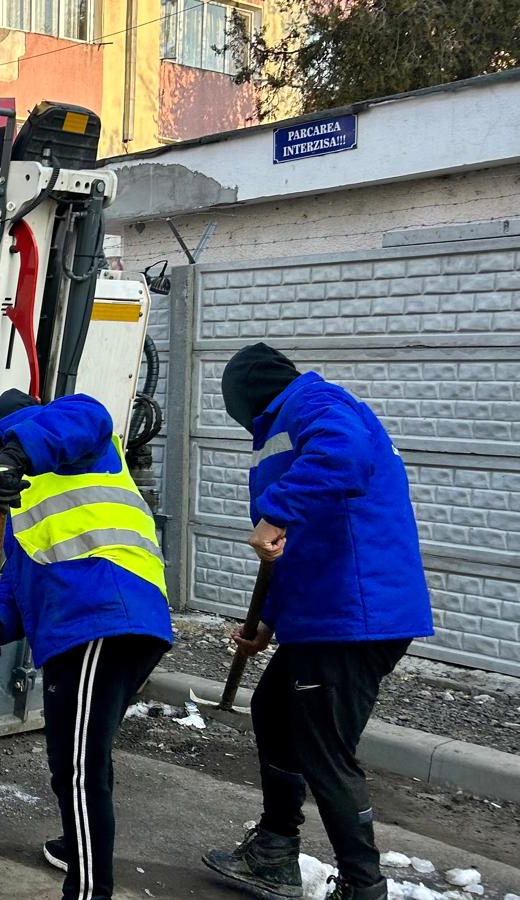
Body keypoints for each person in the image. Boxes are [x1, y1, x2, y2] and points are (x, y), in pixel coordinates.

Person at [203, 343, 434, 900]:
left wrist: (276, 509)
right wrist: (269, 621)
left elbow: (344, 455)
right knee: (275, 711)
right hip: (324, 612)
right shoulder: (282, 426)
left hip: (354, 615)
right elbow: (293, 546)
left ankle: (362, 887)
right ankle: (275, 850)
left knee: (322, 747)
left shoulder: (317, 403)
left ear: (247, 391)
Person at [0, 389, 173, 900]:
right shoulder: (21, 498)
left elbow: (86, 414)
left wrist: (15, 452)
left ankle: (87, 891)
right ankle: (78, 847)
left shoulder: (81, 436)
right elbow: (9, 584)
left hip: (104, 614)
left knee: (77, 769)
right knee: (86, 756)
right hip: (89, 626)